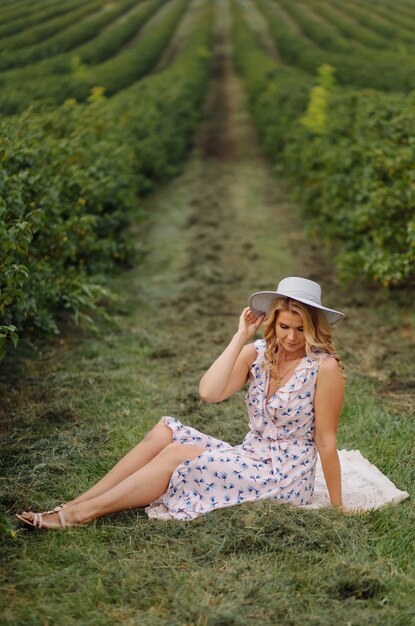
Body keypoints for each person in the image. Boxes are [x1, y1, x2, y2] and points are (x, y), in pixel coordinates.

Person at [16, 276, 346, 529]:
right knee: (166, 431)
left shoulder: (323, 367)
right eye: (284, 326)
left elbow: (326, 440)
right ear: (273, 322)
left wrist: (337, 505)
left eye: (301, 329)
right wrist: (240, 336)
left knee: (177, 454)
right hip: (249, 455)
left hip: (285, 474)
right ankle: (76, 502)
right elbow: (209, 392)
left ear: (314, 327)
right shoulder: (258, 354)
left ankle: (81, 514)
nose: (290, 337)